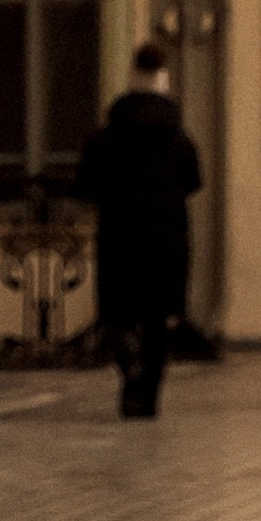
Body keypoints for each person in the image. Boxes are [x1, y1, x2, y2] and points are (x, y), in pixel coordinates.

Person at [74, 43, 202, 421]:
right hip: (168, 239)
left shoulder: (105, 138)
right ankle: (149, 396)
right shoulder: (180, 139)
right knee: (158, 319)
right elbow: (194, 182)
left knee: (119, 313)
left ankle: (129, 365)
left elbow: (85, 186)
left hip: (119, 236)